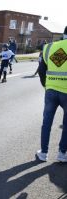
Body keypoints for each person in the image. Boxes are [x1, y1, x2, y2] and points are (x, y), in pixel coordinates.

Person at [36, 26, 67, 162]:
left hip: (51, 91)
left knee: (46, 122)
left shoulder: (49, 47)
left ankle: (43, 153)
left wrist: (47, 86)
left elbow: (41, 70)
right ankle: (62, 154)